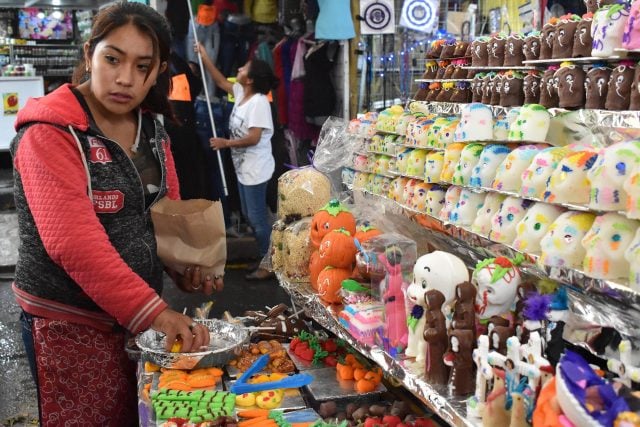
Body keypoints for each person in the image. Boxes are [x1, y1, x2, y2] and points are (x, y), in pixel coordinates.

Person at [10, 3, 223, 426]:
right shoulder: (50, 134)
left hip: (135, 320)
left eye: (142, 65)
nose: (125, 78)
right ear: (90, 53)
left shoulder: (152, 128)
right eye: (113, 59)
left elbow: (164, 213)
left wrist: (182, 265)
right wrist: (158, 313)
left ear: (159, 68)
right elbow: (73, 244)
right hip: (70, 326)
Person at [196, 41, 278, 281]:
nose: (240, 69)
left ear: (250, 80)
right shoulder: (242, 93)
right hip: (244, 168)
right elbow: (221, 82)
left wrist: (225, 143)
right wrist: (204, 56)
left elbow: (253, 138)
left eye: (244, 68)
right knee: (248, 212)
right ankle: (266, 255)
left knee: (256, 218)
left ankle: (268, 263)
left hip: (256, 169)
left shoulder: (259, 102)